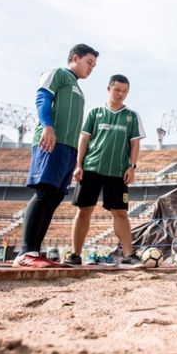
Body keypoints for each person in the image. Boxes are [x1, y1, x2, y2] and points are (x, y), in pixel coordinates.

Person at [13, 44, 99, 268]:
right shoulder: (57, 74)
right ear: (75, 57)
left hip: (68, 149)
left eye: (94, 66)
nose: (91, 69)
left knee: (54, 198)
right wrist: (47, 127)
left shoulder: (78, 89)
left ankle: (35, 252)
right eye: (89, 63)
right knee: (44, 193)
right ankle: (26, 252)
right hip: (51, 141)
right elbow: (42, 98)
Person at [63, 74, 146, 266]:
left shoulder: (131, 116)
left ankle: (128, 255)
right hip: (91, 168)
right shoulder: (95, 112)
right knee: (84, 211)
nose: (121, 94)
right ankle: (75, 255)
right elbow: (84, 139)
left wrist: (132, 167)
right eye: (117, 90)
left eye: (125, 91)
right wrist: (79, 165)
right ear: (109, 89)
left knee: (120, 213)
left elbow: (134, 144)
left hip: (117, 171)